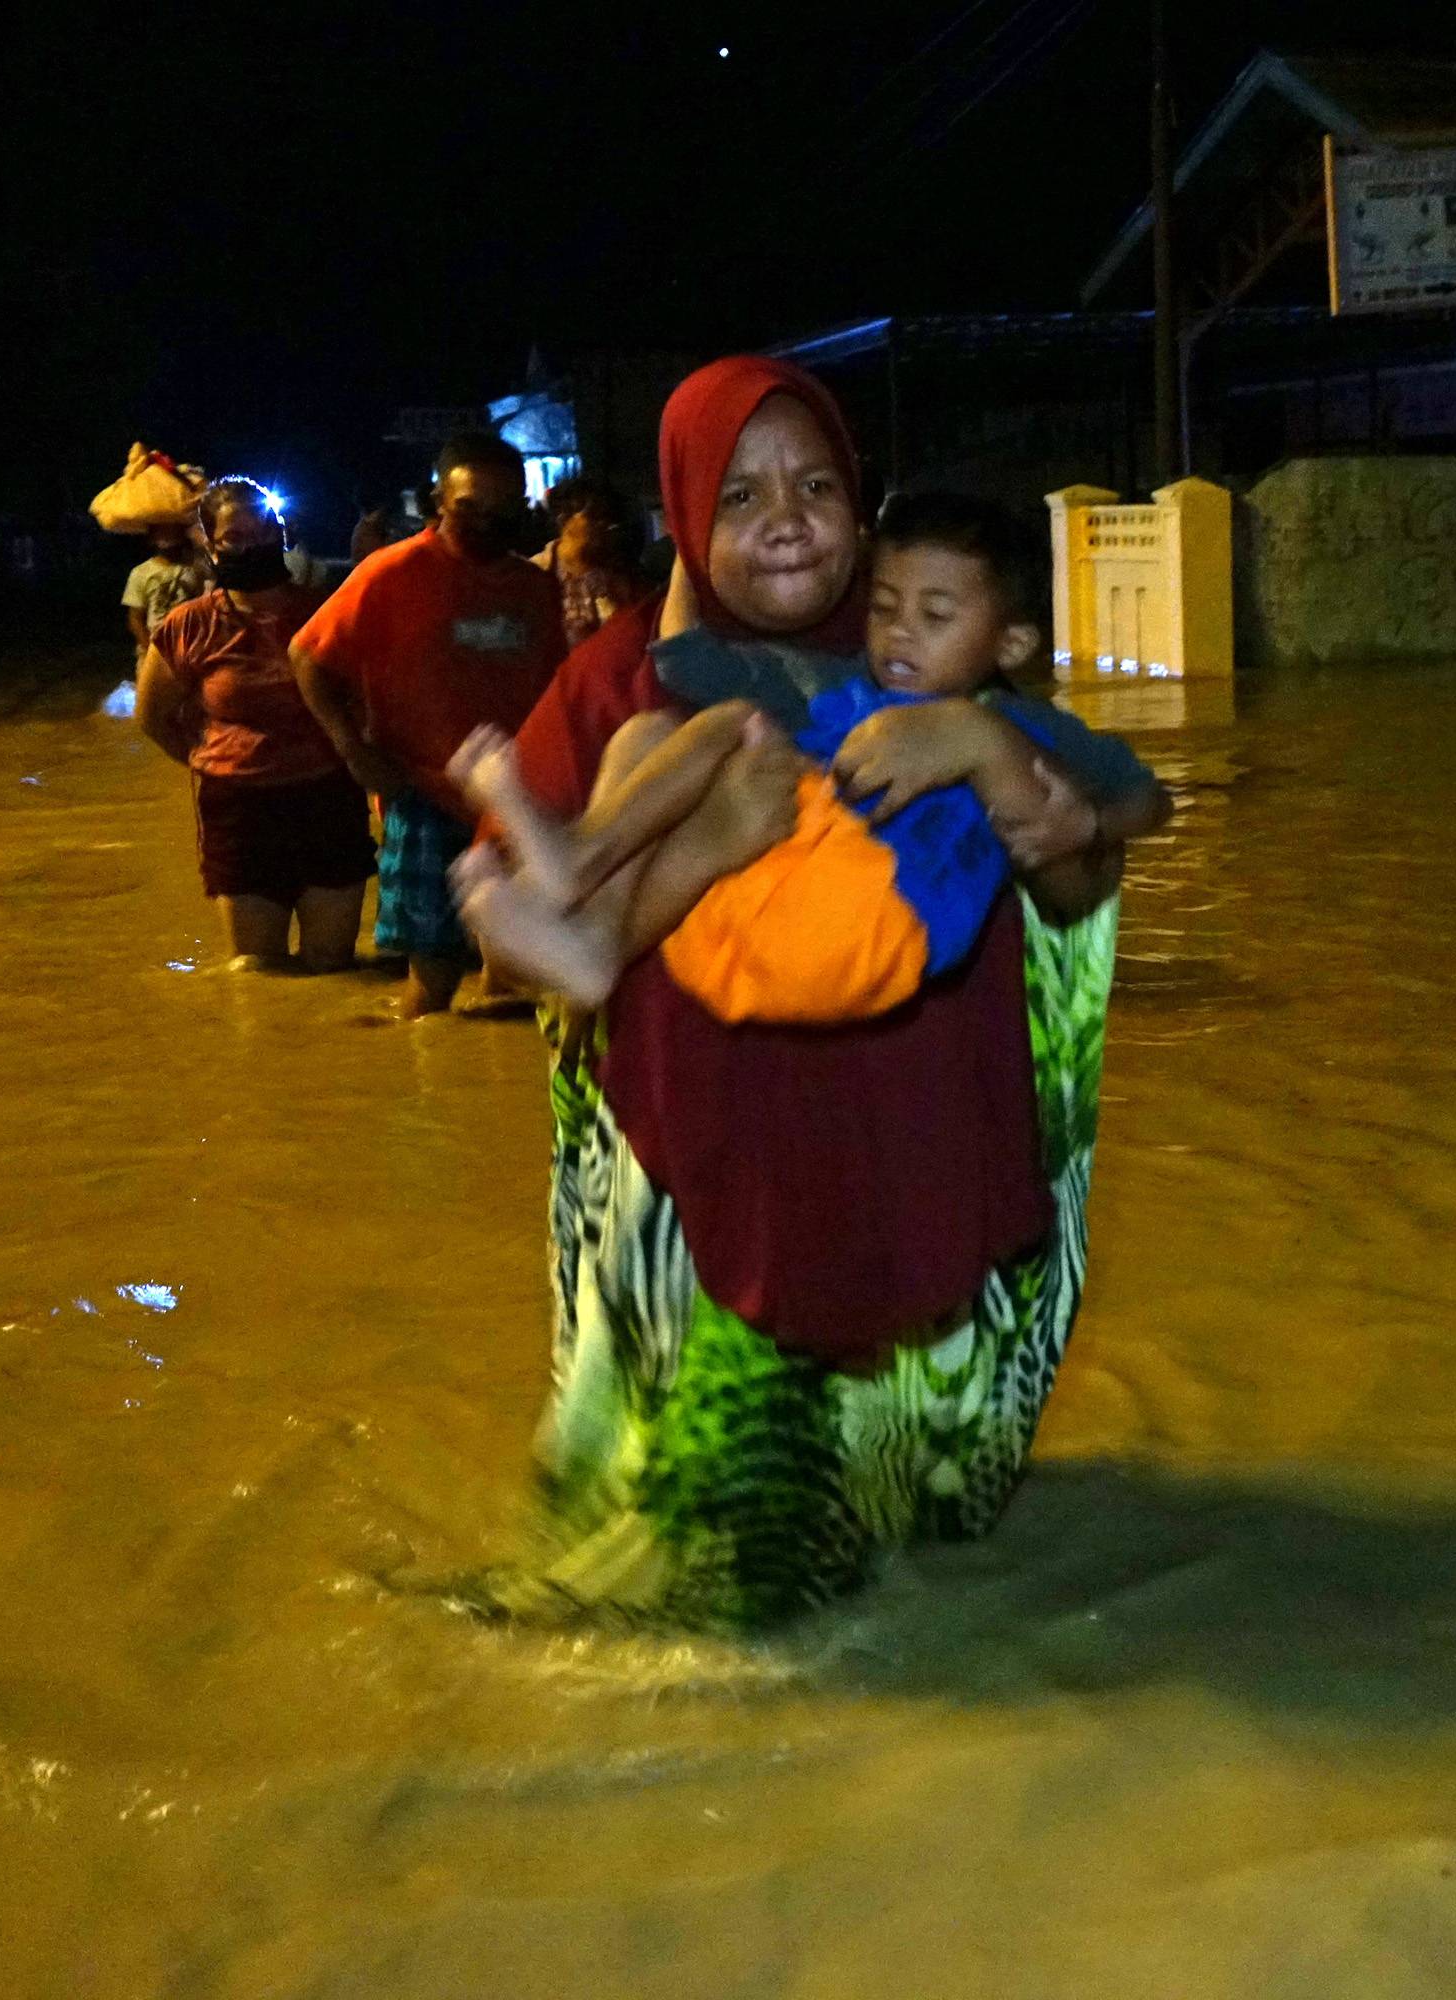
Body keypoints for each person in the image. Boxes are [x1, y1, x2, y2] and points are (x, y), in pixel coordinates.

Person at [459, 357, 1141, 1632]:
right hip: (703, 1192)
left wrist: (989, 748)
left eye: (817, 485)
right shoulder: (623, 685)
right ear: (683, 516)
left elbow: (1073, 886)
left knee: (923, 1562)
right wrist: (712, 843)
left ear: (863, 501)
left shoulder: (935, 656)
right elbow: (511, 950)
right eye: (739, 494)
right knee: (706, 1580)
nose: (785, 518)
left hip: (918, 1157)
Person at [449, 491, 1167, 1021]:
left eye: (935, 617)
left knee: (733, 724)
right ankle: (590, 930)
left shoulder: (1018, 724)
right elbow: (692, 663)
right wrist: (691, 534)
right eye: (884, 608)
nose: (899, 635)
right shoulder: (853, 682)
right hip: (800, 902)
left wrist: (1091, 827)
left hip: (880, 916)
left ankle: (579, 863)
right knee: (650, 735)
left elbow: (1147, 794)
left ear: (1011, 644)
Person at [291, 433, 566, 1018]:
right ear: (437, 501)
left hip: (518, 802)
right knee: (431, 991)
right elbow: (307, 655)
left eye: (503, 508)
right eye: (471, 507)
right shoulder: (392, 573)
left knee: (519, 988)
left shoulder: (538, 589)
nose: (488, 522)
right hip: (424, 796)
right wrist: (353, 752)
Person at [135, 480, 373, 971]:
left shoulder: (324, 611)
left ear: (281, 532)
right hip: (240, 811)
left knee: (332, 964)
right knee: (255, 970)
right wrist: (210, 758)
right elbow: (153, 717)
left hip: (327, 799)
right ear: (209, 543)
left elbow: (370, 700)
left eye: (259, 532)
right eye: (233, 538)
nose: (249, 547)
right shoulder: (189, 625)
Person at [531, 472, 634, 647]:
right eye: (593, 515)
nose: (602, 524)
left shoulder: (616, 576)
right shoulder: (535, 573)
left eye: (606, 516)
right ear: (563, 517)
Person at [121, 521, 211, 650]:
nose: (167, 538)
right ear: (151, 539)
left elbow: (204, 604)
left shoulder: (194, 569)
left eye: (172, 533)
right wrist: (148, 648)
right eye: (161, 534)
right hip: (155, 645)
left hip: (189, 647)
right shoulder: (140, 572)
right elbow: (135, 618)